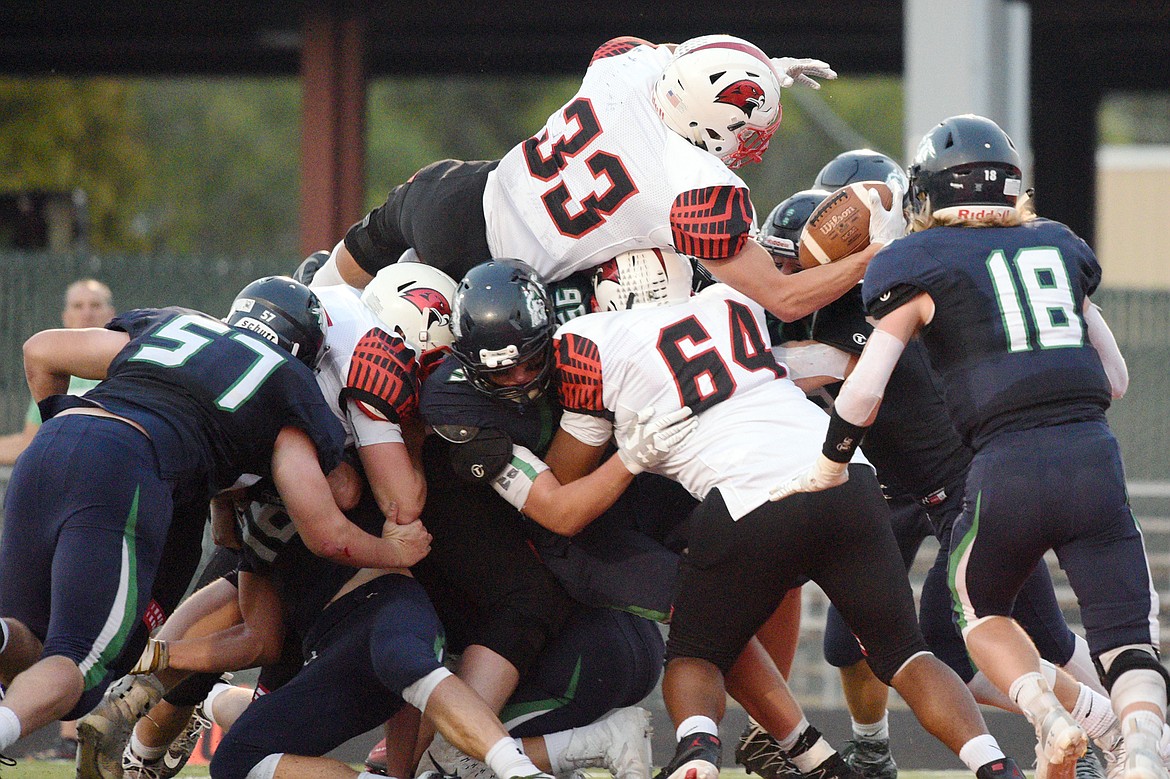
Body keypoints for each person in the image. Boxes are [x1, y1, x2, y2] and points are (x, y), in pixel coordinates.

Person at [774, 114, 1166, 779]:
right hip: (1085, 453)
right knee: (1124, 635)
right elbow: (1117, 380)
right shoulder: (1056, 243)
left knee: (985, 622)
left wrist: (827, 462)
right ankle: (1140, 740)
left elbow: (852, 382)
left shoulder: (909, 262)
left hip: (987, 473)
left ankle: (1075, 725)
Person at [549, 246, 1028, 779]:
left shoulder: (587, 338)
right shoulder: (733, 299)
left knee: (697, 652)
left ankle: (697, 756)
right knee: (906, 654)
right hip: (844, 473)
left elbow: (567, 475)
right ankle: (994, 764)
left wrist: (623, 444)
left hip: (746, 496)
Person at [0, 276, 432, 765]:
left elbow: (40, 351)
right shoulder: (288, 380)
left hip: (55, 443)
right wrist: (394, 547)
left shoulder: (177, 321)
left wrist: (63, 424)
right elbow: (332, 518)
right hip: (130, 466)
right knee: (79, 663)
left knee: (23, 643)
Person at [310, 34, 883, 326]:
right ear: (718, 125)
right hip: (499, 275)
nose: (758, 141)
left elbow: (684, 57)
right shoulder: (696, 186)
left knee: (378, 231)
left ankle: (307, 306)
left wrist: (764, 73)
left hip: (457, 196)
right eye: (753, 128)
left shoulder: (628, 71)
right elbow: (782, 300)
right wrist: (870, 259)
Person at [0, 278, 116, 466]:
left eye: (95, 305)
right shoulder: (52, 371)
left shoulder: (125, 366)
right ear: (66, 317)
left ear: (111, 315)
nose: (87, 313)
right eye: (78, 306)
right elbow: (29, 441)